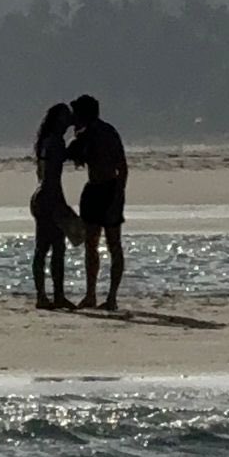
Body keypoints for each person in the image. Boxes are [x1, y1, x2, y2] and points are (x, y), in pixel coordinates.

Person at [67, 95, 128, 311]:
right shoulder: (83, 136)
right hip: (93, 189)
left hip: (108, 188)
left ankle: (111, 297)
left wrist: (119, 195)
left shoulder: (106, 132)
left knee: (113, 244)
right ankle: (91, 294)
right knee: (91, 244)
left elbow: (122, 166)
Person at [29, 102, 81, 311]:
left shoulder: (45, 141)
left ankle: (45, 295)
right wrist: (59, 204)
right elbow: (52, 177)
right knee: (54, 248)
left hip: (41, 196)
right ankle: (51, 295)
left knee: (45, 248)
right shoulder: (55, 143)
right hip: (49, 197)